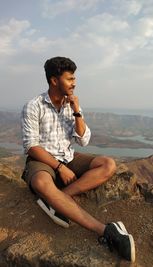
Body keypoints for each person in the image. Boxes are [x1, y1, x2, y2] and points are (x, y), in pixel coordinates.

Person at [21, 56, 135, 262]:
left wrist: (76, 112)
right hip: (43, 161)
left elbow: (83, 141)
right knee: (40, 182)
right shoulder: (33, 106)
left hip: (69, 155)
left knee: (108, 164)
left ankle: (57, 200)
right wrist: (59, 167)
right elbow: (31, 146)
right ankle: (105, 230)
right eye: (70, 79)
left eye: (74, 79)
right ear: (54, 81)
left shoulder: (72, 104)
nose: (74, 83)